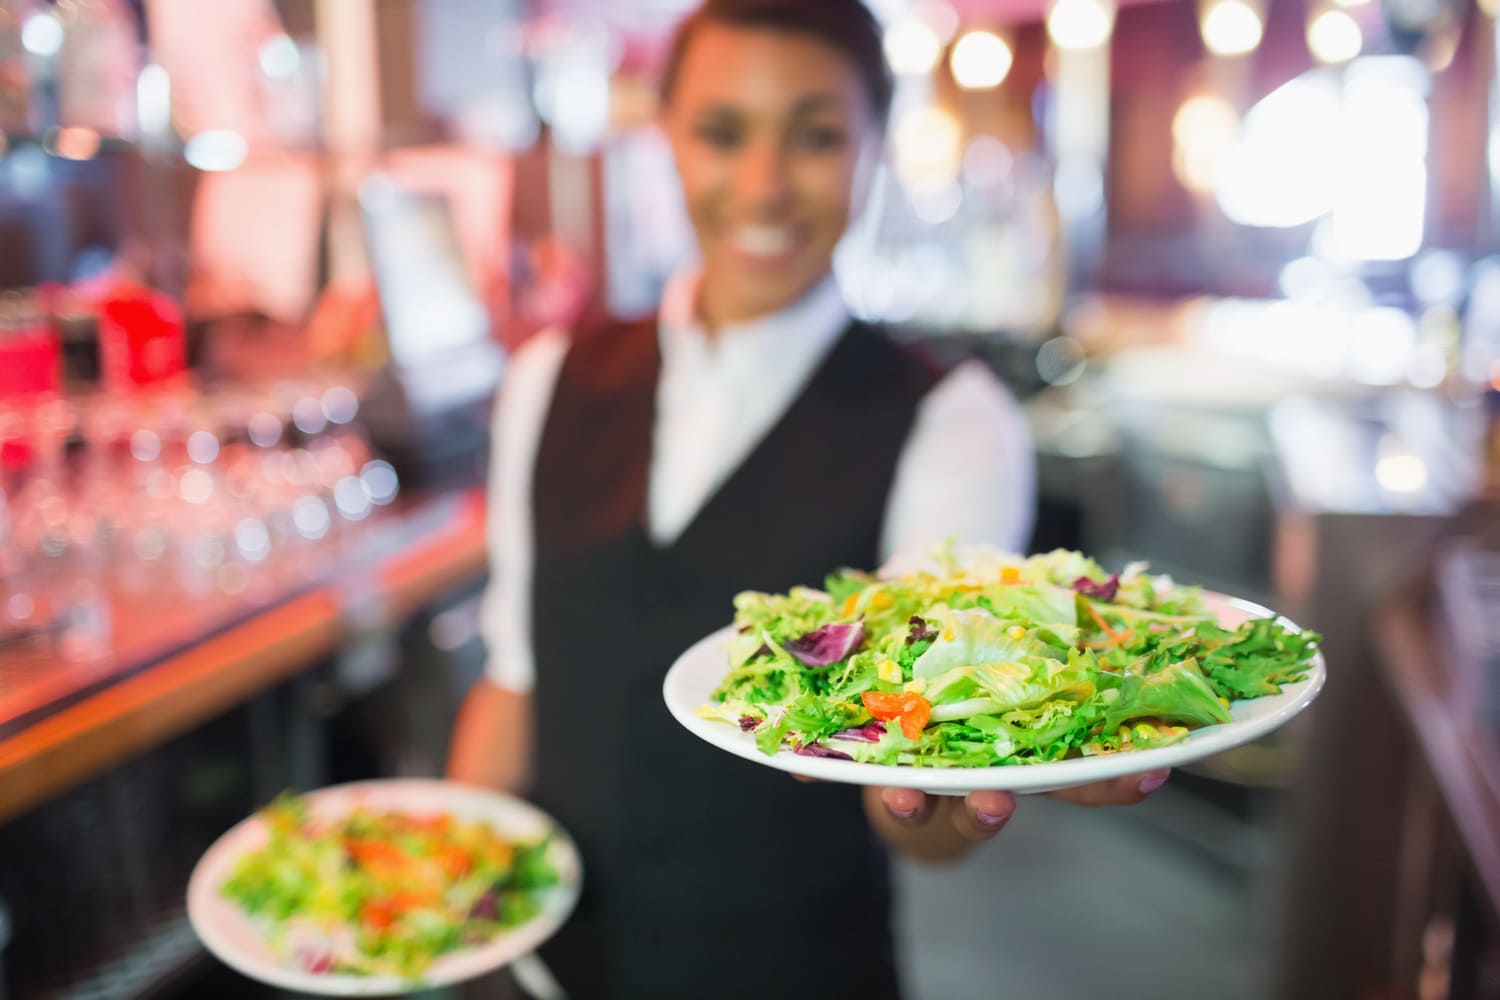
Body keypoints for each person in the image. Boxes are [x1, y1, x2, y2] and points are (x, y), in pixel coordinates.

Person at [447, 1, 1168, 996]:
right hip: (555, 972)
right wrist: (442, 892)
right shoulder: (546, 381)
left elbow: (917, 788)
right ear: (667, 136)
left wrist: (952, 787)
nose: (762, 184)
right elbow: (517, 678)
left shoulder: (952, 419)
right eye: (721, 132)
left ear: (876, 148)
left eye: (817, 136)